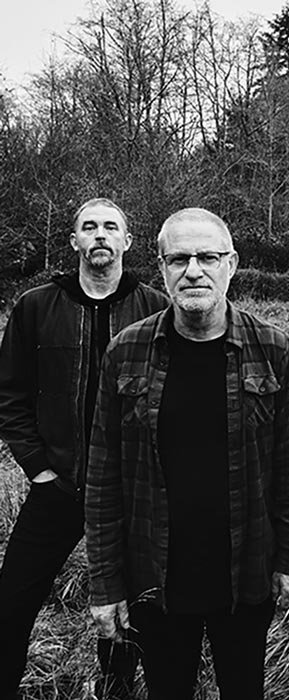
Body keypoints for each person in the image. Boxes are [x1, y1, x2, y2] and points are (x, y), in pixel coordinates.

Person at [85, 207, 289, 700]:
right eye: (179, 259)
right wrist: (105, 584)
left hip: (245, 573)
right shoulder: (126, 351)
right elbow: (103, 477)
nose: (193, 271)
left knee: (243, 688)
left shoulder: (271, 348)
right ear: (162, 267)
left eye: (207, 257)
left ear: (231, 264)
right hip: (156, 575)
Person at [0, 197, 168, 700]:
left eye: (110, 227)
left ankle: (115, 689)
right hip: (59, 485)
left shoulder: (155, 307)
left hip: (128, 491)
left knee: (126, 608)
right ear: (74, 240)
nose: (99, 235)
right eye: (89, 227)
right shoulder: (36, 306)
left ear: (127, 241)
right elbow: (9, 394)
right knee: (11, 601)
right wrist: (38, 469)